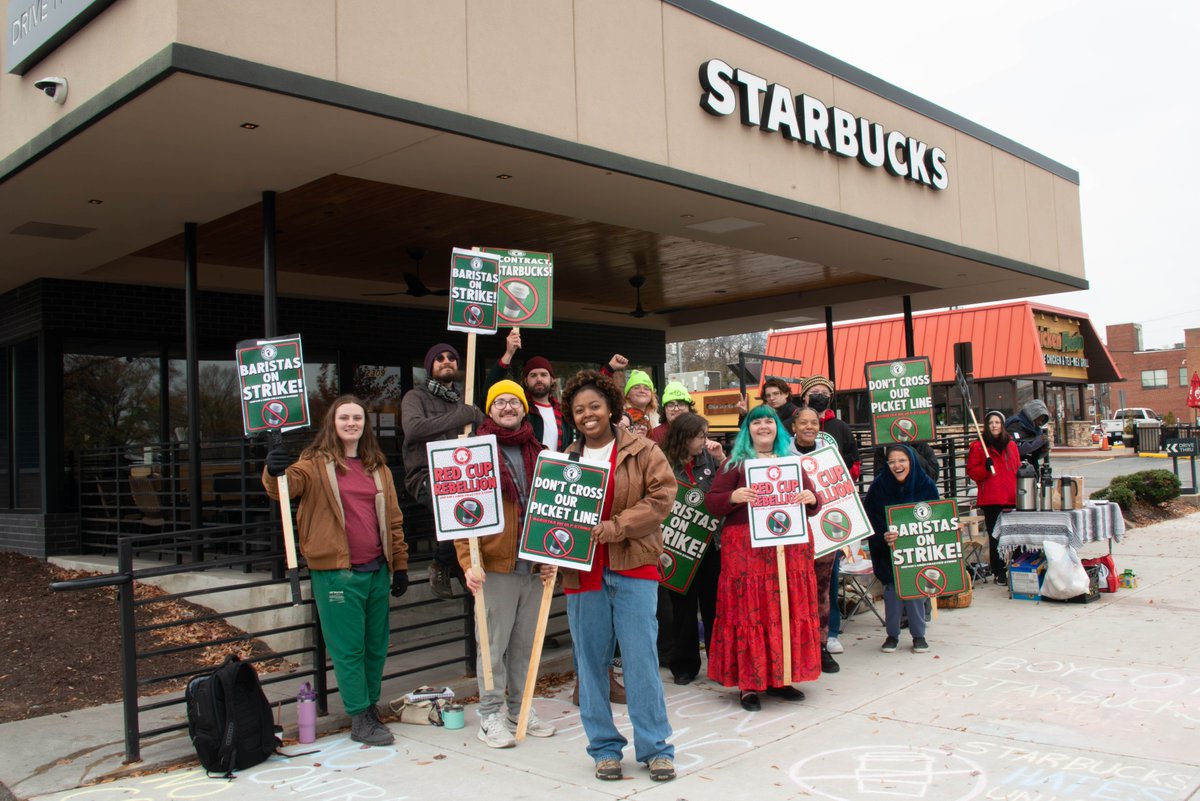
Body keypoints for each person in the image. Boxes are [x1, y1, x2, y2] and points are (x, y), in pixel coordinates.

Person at [263, 395, 408, 747]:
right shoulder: (313, 463)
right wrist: (273, 469)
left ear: (365, 424)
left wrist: (400, 564)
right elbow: (283, 488)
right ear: (333, 422)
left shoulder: (378, 467)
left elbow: (393, 519)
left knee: (376, 646)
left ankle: (370, 706)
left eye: (357, 418)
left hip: (376, 569)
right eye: (344, 417)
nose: (351, 423)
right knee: (348, 649)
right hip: (336, 573)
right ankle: (359, 716)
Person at [560, 369, 677, 783]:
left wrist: (617, 527)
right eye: (579, 410)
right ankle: (604, 748)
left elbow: (661, 497)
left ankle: (656, 747)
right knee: (590, 664)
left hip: (634, 565)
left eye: (594, 406)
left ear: (610, 407)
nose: (587, 415)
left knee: (641, 659)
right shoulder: (563, 460)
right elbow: (551, 515)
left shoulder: (643, 450)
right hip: (583, 572)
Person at [456, 380, 558, 748]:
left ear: (523, 408)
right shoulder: (472, 451)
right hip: (494, 566)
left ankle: (520, 707)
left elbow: (554, 510)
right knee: (492, 646)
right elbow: (459, 515)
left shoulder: (541, 452)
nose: (507, 407)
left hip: (532, 567)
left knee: (525, 646)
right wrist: (469, 562)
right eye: (498, 402)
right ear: (489, 409)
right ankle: (490, 715)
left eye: (513, 401)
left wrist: (552, 558)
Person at [706, 405, 822, 712]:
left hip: (788, 547)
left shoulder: (791, 462)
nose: (763, 426)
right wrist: (733, 497)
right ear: (748, 430)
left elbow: (813, 500)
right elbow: (713, 502)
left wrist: (812, 499)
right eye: (756, 422)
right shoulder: (735, 464)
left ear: (777, 428)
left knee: (785, 609)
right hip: (746, 551)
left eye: (769, 421)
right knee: (750, 613)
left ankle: (782, 677)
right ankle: (749, 683)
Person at [400, 343, 486, 599]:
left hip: (461, 474)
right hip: (425, 474)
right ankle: (442, 562)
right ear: (430, 366)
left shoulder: (464, 400)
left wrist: (475, 416)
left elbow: (481, 428)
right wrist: (462, 416)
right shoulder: (415, 397)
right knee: (455, 504)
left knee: (476, 506)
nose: (446, 361)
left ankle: (460, 563)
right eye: (439, 358)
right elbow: (414, 429)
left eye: (451, 358)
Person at [796, 374, 862, 662]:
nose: (809, 427)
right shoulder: (786, 449)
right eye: (815, 392)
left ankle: (828, 635)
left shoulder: (840, 428)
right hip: (800, 524)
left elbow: (854, 462)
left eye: (825, 392)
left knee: (828, 581)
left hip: (830, 518)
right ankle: (804, 639)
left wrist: (845, 481)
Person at [661, 412, 724, 685]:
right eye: (701, 435)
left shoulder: (710, 458)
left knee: (714, 605)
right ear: (684, 436)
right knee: (682, 608)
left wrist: (722, 458)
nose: (705, 441)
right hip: (677, 545)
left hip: (710, 544)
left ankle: (719, 662)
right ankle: (684, 665)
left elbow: (729, 485)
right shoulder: (663, 461)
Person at [864, 444, 940, 654]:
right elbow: (871, 516)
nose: (897, 465)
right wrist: (883, 534)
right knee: (892, 593)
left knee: (915, 591)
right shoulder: (879, 486)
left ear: (912, 461)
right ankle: (892, 635)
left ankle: (919, 635)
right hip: (887, 550)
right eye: (892, 461)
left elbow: (936, 515)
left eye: (902, 460)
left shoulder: (926, 485)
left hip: (917, 551)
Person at [790, 406, 840, 674]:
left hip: (824, 531)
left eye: (814, 422)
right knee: (796, 593)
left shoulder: (829, 454)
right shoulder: (782, 455)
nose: (809, 427)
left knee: (822, 591)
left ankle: (821, 647)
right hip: (793, 535)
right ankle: (799, 648)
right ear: (794, 426)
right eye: (803, 422)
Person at [487, 328, 574, 451]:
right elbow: (491, 389)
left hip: (555, 469)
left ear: (552, 380)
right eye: (533, 375)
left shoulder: (563, 411)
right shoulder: (518, 408)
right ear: (526, 381)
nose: (539, 379)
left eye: (544, 375)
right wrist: (509, 353)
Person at [966, 411, 1020, 584]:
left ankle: (1018, 567)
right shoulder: (978, 446)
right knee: (995, 537)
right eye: (991, 423)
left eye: (997, 422)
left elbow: (1016, 468)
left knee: (1015, 536)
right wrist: (985, 468)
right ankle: (999, 572)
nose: (994, 425)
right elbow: (973, 472)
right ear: (987, 426)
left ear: (1002, 425)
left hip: (1010, 497)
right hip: (991, 498)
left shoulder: (1010, 445)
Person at [1005, 399, 1052, 469]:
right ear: (1032, 415)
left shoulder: (1036, 429)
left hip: (1031, 470)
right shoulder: (1014, 425)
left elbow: (1034, 454)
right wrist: (1038, 442)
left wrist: (1043, 450)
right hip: (1016, 470)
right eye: (1039, 419)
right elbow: (1016, 450)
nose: (1040, 423)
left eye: (1042, 420)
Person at [649, 381, 695, 446]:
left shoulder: (697, 431)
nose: (676, 409)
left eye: (681, 404)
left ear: (689, 408)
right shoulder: (655, 435)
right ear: (664, 410)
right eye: (671, 405)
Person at [622, 370, 659, 437]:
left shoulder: (655, 418)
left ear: (651, 395)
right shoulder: (621, 417)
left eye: (646, 388)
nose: (642, 391)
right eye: (636, 388)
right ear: (628, 394)